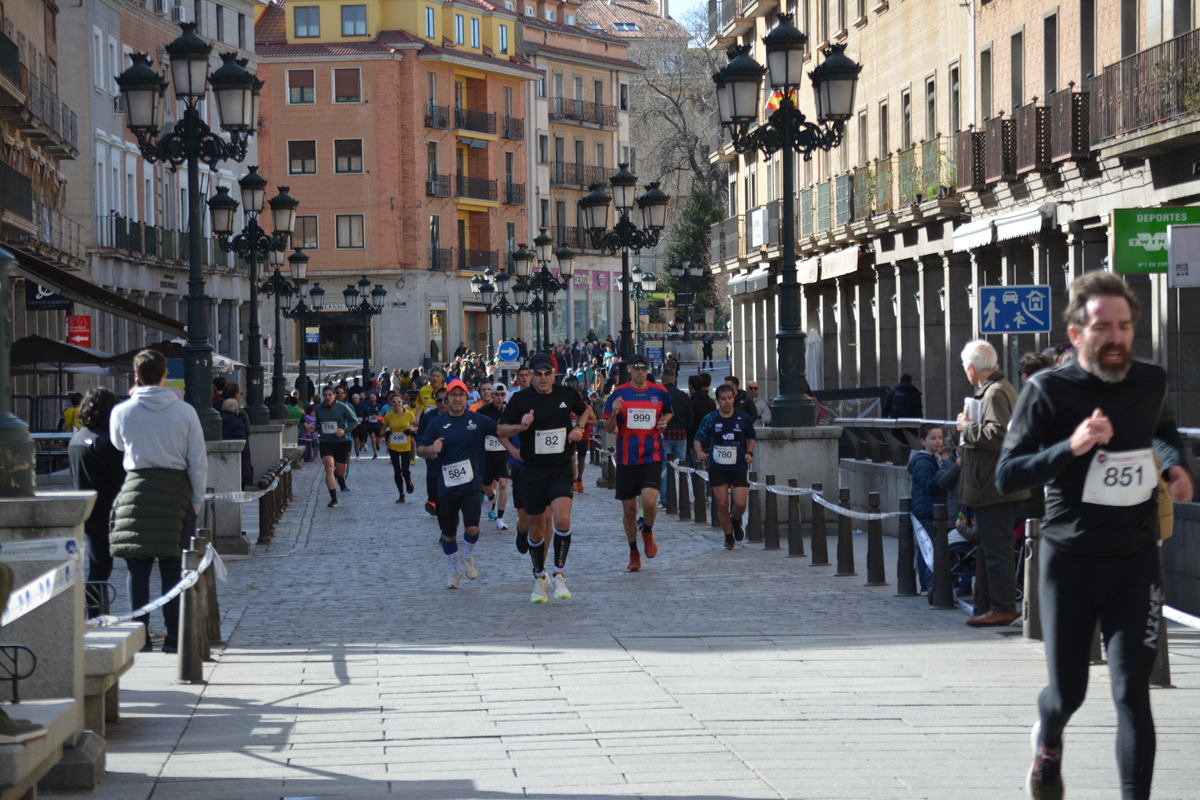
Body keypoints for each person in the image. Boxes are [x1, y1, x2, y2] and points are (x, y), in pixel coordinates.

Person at [996, 272, 1193, 800]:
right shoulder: (1047, 390)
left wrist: (1176, 466)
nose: (1115, 337)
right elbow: (1007, 475)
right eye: (1103, 327)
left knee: (1133, 693)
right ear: (1078, 329)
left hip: (1134, 558)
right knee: (1069, 693)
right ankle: (1048, 742)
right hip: (1070, 560)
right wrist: (1073, 447)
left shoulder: (1148, 380)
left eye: (1124, 326)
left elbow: (1163, 429)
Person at [109, 349, 207, 653]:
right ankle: (175, 638)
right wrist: (197, 500)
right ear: (166, 375)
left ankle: (140, 637)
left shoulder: (122, 411)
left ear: (136, 377)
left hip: (137, 489)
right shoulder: (185, 412)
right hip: (176, 492)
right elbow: (198, 462)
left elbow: (117, 443)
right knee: (172, 568)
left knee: (137, 568)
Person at [497, 353, 593, 602]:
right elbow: (500, 429)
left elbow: (585, 412)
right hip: (532, 471)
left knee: (561, 519)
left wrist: (579, 428)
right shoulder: (520, 399)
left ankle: (559, 573)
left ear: (553, 374)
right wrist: (520, 427)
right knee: (537, 529)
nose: (542, 378)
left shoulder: (566, 394)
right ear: (531, 375)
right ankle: (540, 578)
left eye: (547, 373)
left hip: (560, 468)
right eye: (537, 374)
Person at [955, 340, 1029, 627]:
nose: (965, 372)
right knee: (990, 548)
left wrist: (966, 428)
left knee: (997, 550)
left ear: (972, 369)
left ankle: (1003, 606)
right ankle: (987, 605)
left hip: (994, 486)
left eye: (965, 368)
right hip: (992, 485)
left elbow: (999, 436)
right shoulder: (997, 389)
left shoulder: (996, 392)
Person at [417, 379, 498, 589]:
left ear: (466, 397)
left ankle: (468, 555)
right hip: (445, 486)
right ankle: (453, 572)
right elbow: (420, 450)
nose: (456, 399)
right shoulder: (436, 423)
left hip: (471, 485)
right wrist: (430, 449)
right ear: (447, 398)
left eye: (460, 395)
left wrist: (521, 424)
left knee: (472, 527)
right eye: (452, 395)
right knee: (449, 533)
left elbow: (499, 430)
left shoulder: (477, 420)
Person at [603, 352, 673, 572]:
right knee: (630, 511)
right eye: (637, 367)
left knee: (650, 503)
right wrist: (614, 413)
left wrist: (664, 422)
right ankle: (634, 551)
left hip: (652, 455)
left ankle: (648, 531)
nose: (641, 371)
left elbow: (668, 413)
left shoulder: (660, 392)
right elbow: (607, 427)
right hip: (626, 457)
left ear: (648, 370)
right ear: (630, 370)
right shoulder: (619, 393)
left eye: (644, 368)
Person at [68, 388, 125, 618]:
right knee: (132, 568)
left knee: (98, 569)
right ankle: (98, 615)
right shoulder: (107, 442)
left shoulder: (77, 439)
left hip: (89, 513)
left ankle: (94, 616)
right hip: (112, 512)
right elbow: (121, 479)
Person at [693, 383, 756, 548]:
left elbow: (752, 437)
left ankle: (735, 520)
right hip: (717, 466)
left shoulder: (743, 418)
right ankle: (728, 536)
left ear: (734, 398)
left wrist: (749, 453)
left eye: (730, 398)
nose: (727, 402)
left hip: (738, 466)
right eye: (723, 399)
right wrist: (699, 452)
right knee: (722, 504)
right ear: (718, 400)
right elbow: (698, 438)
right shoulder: (711, 418)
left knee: (741, 504)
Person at [906, 423, 946, 594]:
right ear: (923, 441)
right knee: (927, 549)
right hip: (926, 511)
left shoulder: (935, 458)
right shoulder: (923, 461)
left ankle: (929, 583)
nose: (938, 441)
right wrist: (944, 469)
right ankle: (927, 584)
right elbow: (930, 485)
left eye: (940, 438)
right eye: (933, 438)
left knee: (931, 548)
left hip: (934, 510)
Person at [314, 385, 359, 508]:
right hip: (325, 441)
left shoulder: (342, 407)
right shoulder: (319, 409)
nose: (327, 397)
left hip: (340, 442)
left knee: (341, 471)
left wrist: (344, 431)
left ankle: (340, 479)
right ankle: (333, 499)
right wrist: (314, 428)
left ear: (334, 395)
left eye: (330, 395)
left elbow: (355, 421)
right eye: (325, 395)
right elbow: (318, 424)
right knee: (328, 467)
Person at [476, 381, 510, 528]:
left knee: (503, 484)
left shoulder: (509, 411)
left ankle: (500, 519)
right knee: (486, 486)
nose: (499, 397)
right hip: (487, 453)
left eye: (502, 394)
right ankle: (490, 498)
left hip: (502, 453)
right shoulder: (482, 411)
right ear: (492, 395)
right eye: (496, 394)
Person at [659, 369, 693, 496]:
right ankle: (684, 496)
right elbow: (690, 417)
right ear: (675, 379)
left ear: (662, 381)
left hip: (665, 434)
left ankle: (664, 497)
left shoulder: (661, 395)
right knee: (682, 467)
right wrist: (686, 431)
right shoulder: (684, 396)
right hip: (680, 434)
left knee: (664, 467)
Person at [417, 386, 449, 516]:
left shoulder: (457, 415)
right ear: (435, 401)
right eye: (439, 400)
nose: (442, 403)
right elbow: (420, 436)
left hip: (450, 457)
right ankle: (432, 502)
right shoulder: (429, 417)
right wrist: (428, 449)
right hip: (432, 456)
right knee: (432, 478)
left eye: (445, 400)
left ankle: (443, 503)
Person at [383, 392, 417, 503]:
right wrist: (386, 433)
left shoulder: (409, 414)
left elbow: (417, 427)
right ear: (391, 403)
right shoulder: (389, 416)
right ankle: (401, 495)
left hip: (406, 446)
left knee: (405, 470)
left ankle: (408, 480)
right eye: (394, 402)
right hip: (393, 446)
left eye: (399, 401)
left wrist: (411, 430)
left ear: (403, 402)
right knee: (397, 471)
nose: (397, 403)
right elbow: (381, 430)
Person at [564, 376, 591, 494]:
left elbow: (594, 421)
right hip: (570, 435)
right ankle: (574, 480)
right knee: (572, 458)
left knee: (581, 459)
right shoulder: (567, 406)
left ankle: (579, 477)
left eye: (579, 396)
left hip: (583, 436)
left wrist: (582, 422)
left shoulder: (587, 407)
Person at [220, 398, 254, 487]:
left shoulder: (217, 422)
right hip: (238, 467)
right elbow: (240, 447)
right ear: (236, 411)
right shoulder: (238, 423)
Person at [687, 374, 716, 466]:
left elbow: (689, 423)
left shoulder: (691, 403)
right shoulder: (711, 402)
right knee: (709, 470)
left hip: (694, 443)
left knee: (697, 472)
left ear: (690, 387)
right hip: (709, 441)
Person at [363, 392, 384, 458]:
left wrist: (377, 417)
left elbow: (382, 417)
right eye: (370, 398)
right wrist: (366, 418)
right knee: (373, 439)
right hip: (370, 425)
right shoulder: (367, 407)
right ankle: (375, 454)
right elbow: (365, 416)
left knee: (377, 440)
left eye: (373, 398)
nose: (371, 399)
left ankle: (377, 444)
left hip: (377, 425)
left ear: (376, 399)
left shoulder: (379, 406)